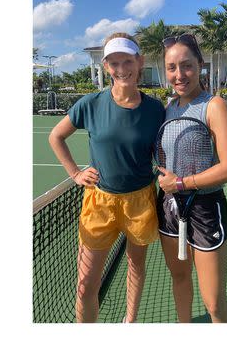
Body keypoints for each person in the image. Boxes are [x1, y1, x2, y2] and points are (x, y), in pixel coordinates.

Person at [48, 33, 165, 323]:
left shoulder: (155, 110)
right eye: (114, 62)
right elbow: (56, 136)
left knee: (136, 267)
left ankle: (130, 322)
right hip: (98, 204)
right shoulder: (90, 104)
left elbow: (162, 152)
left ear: (139, 62)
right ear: (105, 66)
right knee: (86, 283)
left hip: (141, 201)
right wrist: (75, 172)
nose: (121, 68)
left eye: (127, 61)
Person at [158, 34, 227, 323]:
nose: (179, 75)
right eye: (171, 67)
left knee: (214, 304)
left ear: (200, 65)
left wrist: (180, 183)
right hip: (169, 209)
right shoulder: (168, 108)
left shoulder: (214, 105)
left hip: (206, 209)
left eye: (186, 66)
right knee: (180, 281)